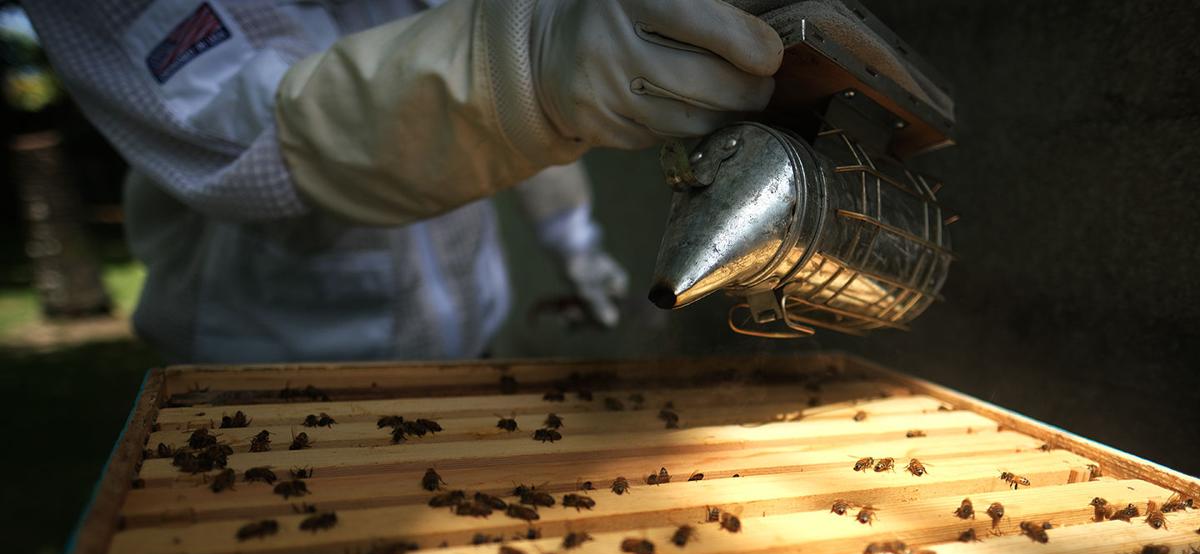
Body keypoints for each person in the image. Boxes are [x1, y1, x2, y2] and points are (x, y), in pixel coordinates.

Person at [21, 0, 784, 362]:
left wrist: (576, 245)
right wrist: (520, 69)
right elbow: (256, 139)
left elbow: (530, 127)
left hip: (471, 353)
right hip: (262, 378)